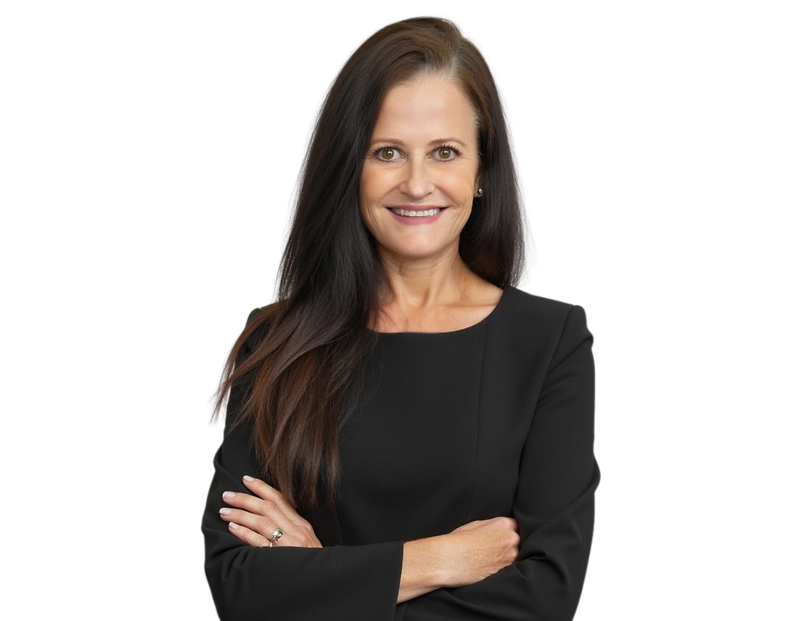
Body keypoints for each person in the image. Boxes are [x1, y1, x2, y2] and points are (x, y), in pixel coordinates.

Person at [201, 14, 600, 621]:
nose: (418, 184)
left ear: (480, 170)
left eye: (444, 152)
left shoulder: (550, 343)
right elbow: (239, 585)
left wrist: (319, 573)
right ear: (350, 170)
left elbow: (546, 595)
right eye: (387, 152)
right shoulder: (276, 341)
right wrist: (435, 560)